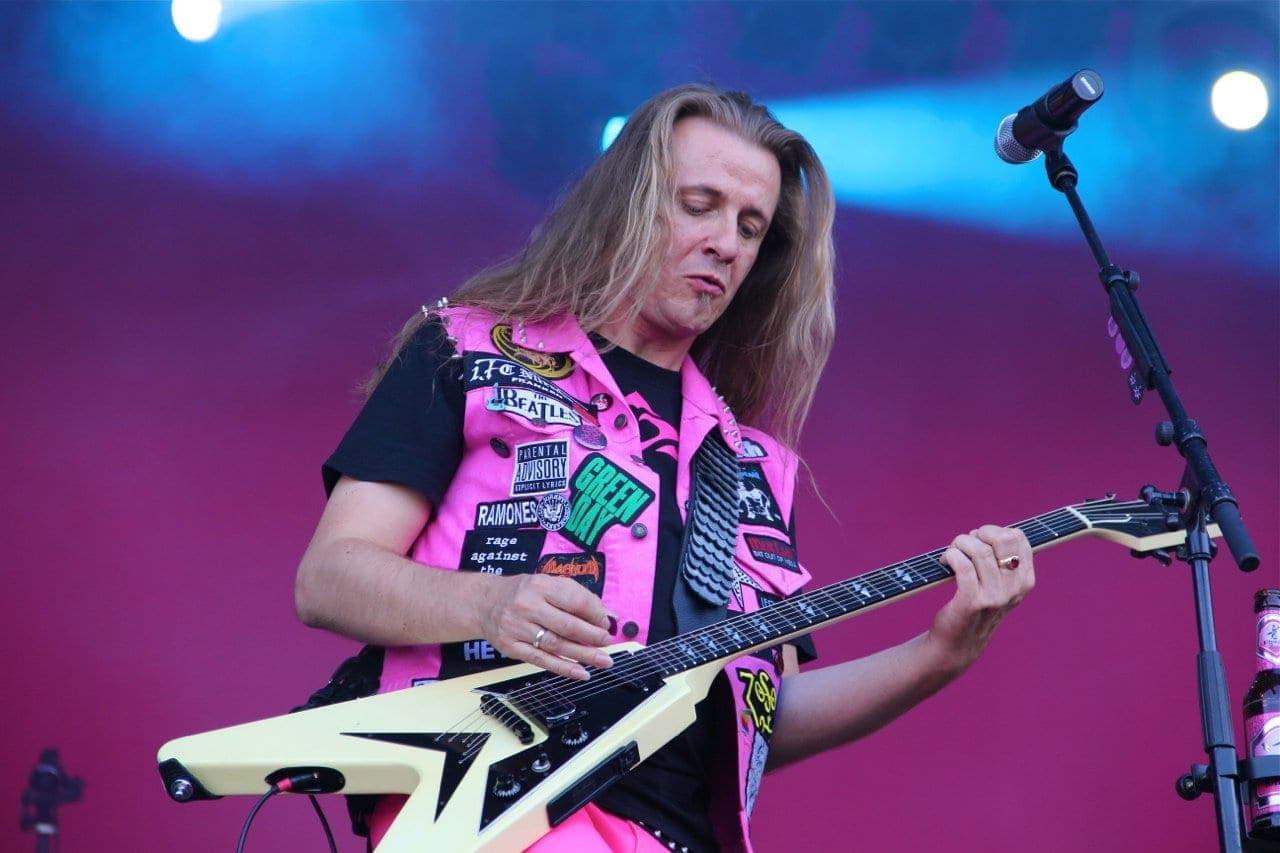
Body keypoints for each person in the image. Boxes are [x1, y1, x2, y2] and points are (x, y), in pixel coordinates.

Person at [294, 83, 1035, 852]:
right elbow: (329, 578)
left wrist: (939, 653)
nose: (727, 243)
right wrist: (488, 605)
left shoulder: (750, 467)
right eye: (700, 206)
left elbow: (757, 721)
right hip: (491, 808)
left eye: (750, 226)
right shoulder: (468, 352)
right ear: (629, 206)